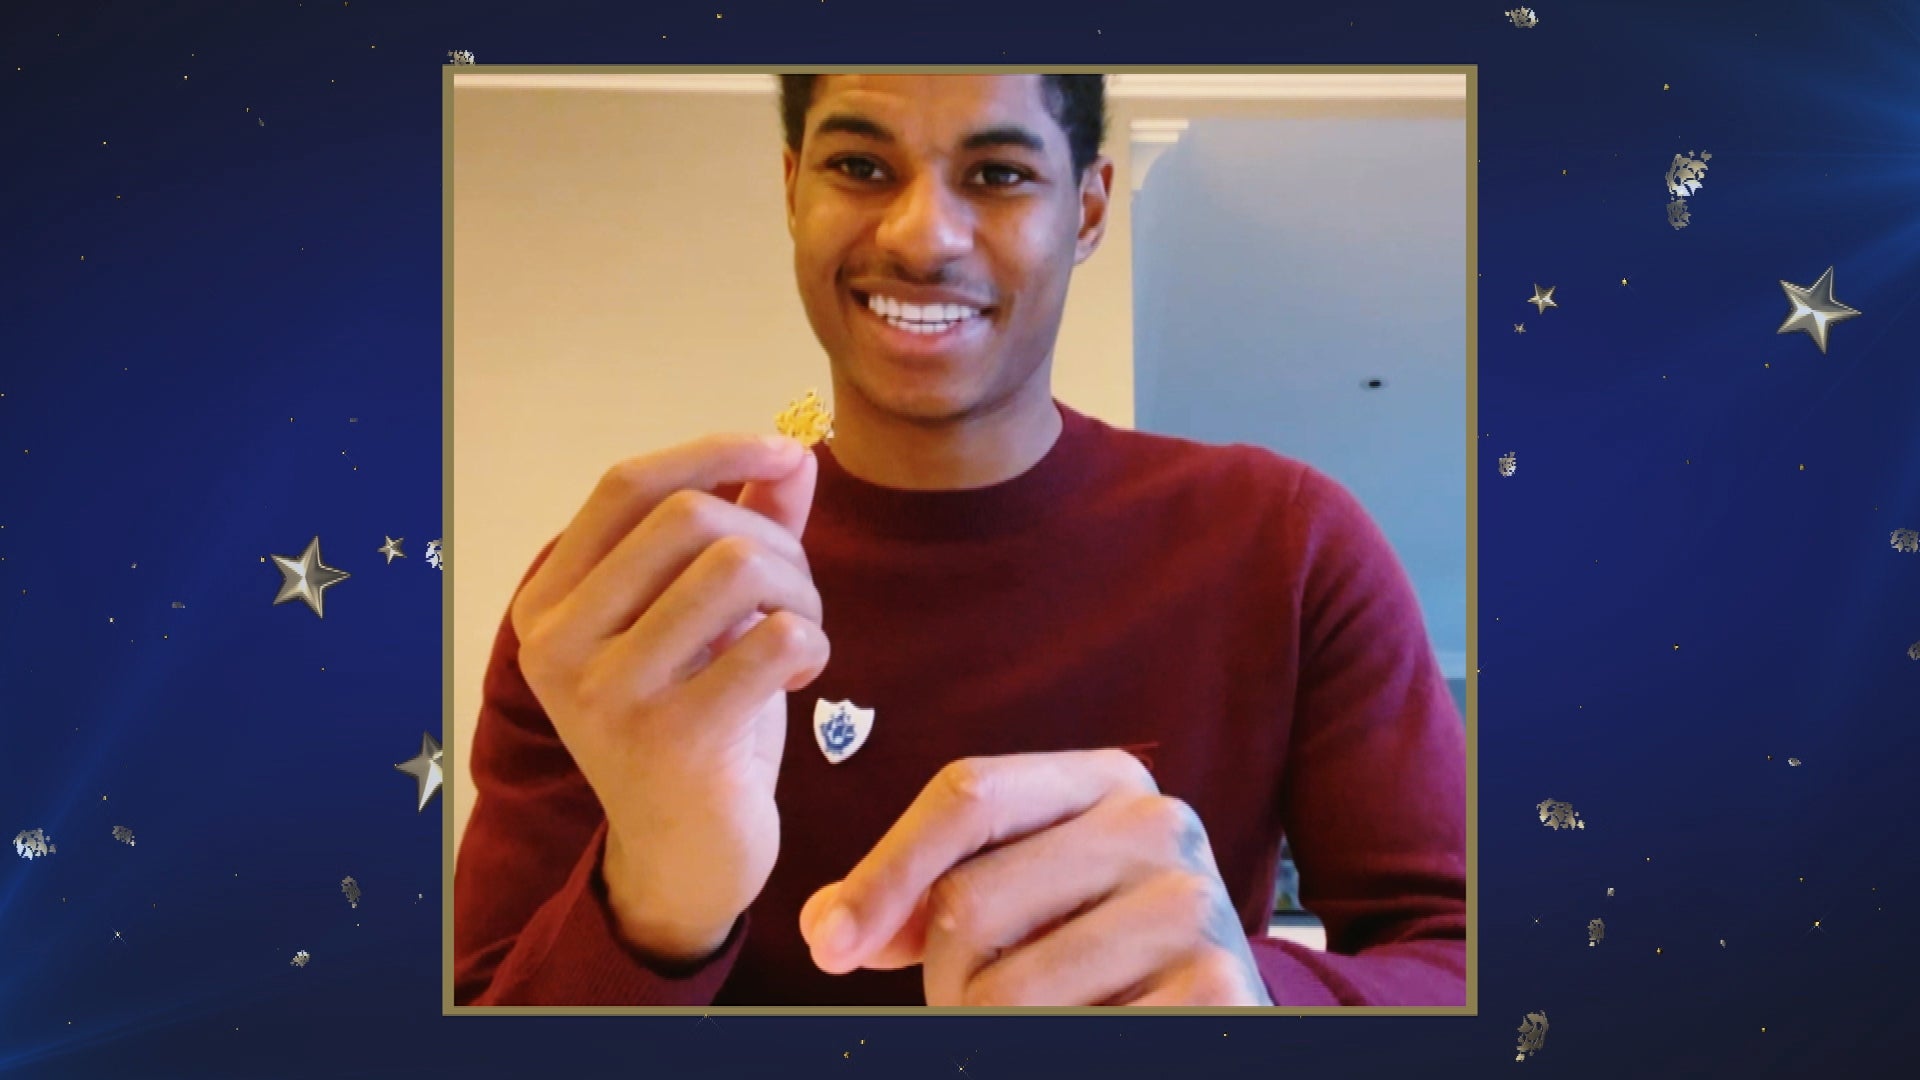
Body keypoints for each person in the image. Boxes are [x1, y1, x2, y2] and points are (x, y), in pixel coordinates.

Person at [454, 73, 1466, 1007]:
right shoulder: (625, 601)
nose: (922, 234)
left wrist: (1256, 993)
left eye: (998, 174)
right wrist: (654, 902)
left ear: (1090, 209)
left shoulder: (1286, 545)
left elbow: (1466, 956)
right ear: (793, 189)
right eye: (859, 166)